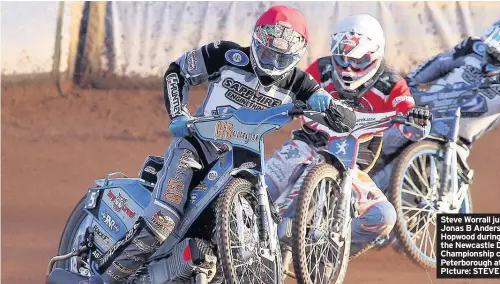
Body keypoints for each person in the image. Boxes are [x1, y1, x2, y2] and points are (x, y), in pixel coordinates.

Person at [87, 5, 357, 284]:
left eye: (281, 58)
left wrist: (329, 105)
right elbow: (177, 70)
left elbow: (347, 121)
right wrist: (179, 113)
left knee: (226, 248)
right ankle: (100, 278)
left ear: (296, 56)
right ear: (255, 41)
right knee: (163, 220)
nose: (272, 63)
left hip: (246, 160)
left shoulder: (301, 82)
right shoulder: (227, 55)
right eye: (266, 53)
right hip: (197, 147)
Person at [369, 15, 500, 253]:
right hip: (423, 114)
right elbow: (440, 63)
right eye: (491, 48)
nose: (491, 56)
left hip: (458, 141)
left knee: (415, 191)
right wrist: (409, 83)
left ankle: (401, 229)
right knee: (379, 147)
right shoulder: (473, 47)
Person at [266, 14, 432, 259]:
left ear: (375, 55)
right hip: (307, 144)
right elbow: (290, 92)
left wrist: (416, 120)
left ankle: (325, 255)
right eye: (342, 59)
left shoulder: (391, 84)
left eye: (358, 61)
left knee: (383, 217)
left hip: (351, 163)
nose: (348, 68)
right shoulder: (321, 69)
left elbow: (409, 116)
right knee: (261, 187)